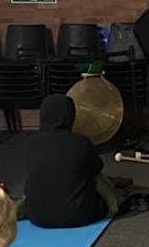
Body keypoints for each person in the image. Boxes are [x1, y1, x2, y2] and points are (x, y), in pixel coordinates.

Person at [23, 94, 128, 228]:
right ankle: (116, 197)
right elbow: (97, 168)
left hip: (37, 217)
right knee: (91, 177)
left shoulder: (30, 143)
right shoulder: (80, 143)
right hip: (81, 215)